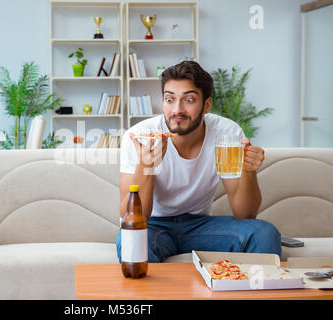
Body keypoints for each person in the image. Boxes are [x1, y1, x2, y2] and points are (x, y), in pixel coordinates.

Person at [117, 60, 281, 263]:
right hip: (154, 225)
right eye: (169, 99)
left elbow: (245, 213)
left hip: (200, 225)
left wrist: (248, 171)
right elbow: (130, 217)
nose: (177, 109)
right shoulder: (140, 136)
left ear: (207, 105)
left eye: (189, 100)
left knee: (264, 233)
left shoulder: (227, 133)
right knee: (131, 240)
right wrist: (146, 167)